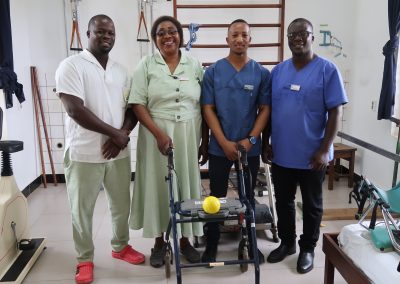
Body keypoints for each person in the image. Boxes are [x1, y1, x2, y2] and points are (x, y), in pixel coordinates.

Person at [55, 14, 144, 284]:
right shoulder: (71, 66)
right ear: (88, 34)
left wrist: (123, 135)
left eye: (111, 33)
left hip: (118, 153)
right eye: (100, 32)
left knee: (121, 205)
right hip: (84, 153)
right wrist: (114, 134)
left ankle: (120, 247)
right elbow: (74, 109)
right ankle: (84, 259)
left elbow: (133, 108)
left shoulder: (120, 70)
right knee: (81, 211)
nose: (106, 37)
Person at [263, 18, 348, 274]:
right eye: (292, 34)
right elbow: (269, 110)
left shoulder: (327, 70)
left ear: (312, 37)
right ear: (288, 39)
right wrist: (267, 141)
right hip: (282, 153)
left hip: (313, 155)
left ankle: (307, 248)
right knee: (283, 202)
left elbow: (336, 112)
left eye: (303, 33)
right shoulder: (278, 72)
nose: (297, 38)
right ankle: (288, 243)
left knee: (312, 205)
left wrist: (324, 149)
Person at [128, 15, 208, 268]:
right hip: (155, 135)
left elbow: (206, 105)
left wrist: (204, 141)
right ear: (155, 39)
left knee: (185, 184)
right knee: (159, 187)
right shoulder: (146, 65)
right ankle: (160, 242)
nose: (167, 36)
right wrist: (160, 135)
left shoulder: (194, 64)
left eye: (172, 31)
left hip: (187, 133)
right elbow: (137, 103)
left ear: (180, 36)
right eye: (161, 33)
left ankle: (185, 241)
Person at [201, 19, 271, 263]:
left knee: (247, 196)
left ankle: (251, 241)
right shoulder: (212, 72)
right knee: (215, 198)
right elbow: (207, 109)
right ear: (227, 39)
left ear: (250, 40)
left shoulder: (261, 73)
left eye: (244, 35)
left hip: (248, 149)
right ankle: (211, 242)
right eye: (235, 35)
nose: (240, 39)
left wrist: (251, 140)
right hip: (220, 148)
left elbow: (264, 109)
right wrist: (223, 142)